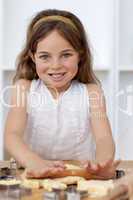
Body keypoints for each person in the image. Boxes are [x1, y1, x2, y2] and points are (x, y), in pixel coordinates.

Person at [4, 9, 117, 178]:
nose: (55, 65)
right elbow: (12, 136)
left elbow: (103, 139)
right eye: (45, 57)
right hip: (34, 175)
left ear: (80, 54)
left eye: (65, 55)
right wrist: (34, 162)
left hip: (79, 177)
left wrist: (102, 163)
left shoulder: (92, 92)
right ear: (33, 57)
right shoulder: (24, 89)